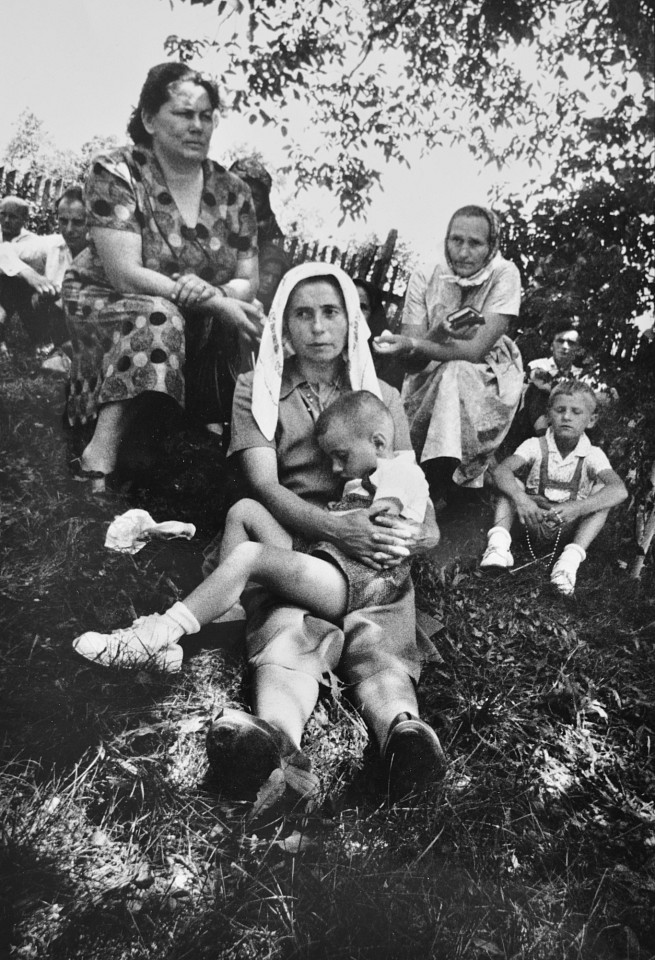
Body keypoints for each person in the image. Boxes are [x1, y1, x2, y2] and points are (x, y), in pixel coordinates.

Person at [73, 390, 430, 674]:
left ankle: (156, 636)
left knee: (249, 557)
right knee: (246, 511)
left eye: (341, 456)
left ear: (380, 443)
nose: (335, 468)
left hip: (353, 585)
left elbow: (391, 510)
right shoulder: (368, 477)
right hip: (328, 566)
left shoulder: (397, 472)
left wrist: (386, 519)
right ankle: (218, 617)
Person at [61, 62, 262, 490]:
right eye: (184, 114)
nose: (198, 125)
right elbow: (125, 274)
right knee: (159, 314)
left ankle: (236, 447)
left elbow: (249, 277)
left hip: (200, 304)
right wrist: (211, 300)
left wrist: (219, 293)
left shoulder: (235, 192)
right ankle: (101, 452)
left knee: (252, 315)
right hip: (108, 299)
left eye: (206, 116)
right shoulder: (116, 171)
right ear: (150, 119)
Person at [373, 205, 523, 499]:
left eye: (475, 243)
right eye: (457, 240)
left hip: (487, 373)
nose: (463, 252)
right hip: (429, 368)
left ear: (491, 245)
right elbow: (414, 363)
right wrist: (436, 334)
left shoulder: (504, 273)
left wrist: (416, 343)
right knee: (445, 375)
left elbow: (475, 350)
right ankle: (425, 480)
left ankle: (444, 483)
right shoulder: (426, 273)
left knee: (455, 373)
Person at [480, 380, 627, 595]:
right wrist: (522, 499)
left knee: (601, 495)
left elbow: (619, 490)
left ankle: (568, 563)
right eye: (560, 410)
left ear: (591, 420)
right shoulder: (534, 445)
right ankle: (498, 547)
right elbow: (501, 471)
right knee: (511, 486)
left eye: (576, 412)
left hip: (568, 527)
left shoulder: (593, 454)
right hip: (532, 517)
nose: (566, 417)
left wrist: (579, 507)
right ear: (549, 414)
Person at [229, 156, 284, 247]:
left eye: (255, 197)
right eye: (240, 192)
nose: (246, 201)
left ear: (263, 205)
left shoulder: (268, 237)